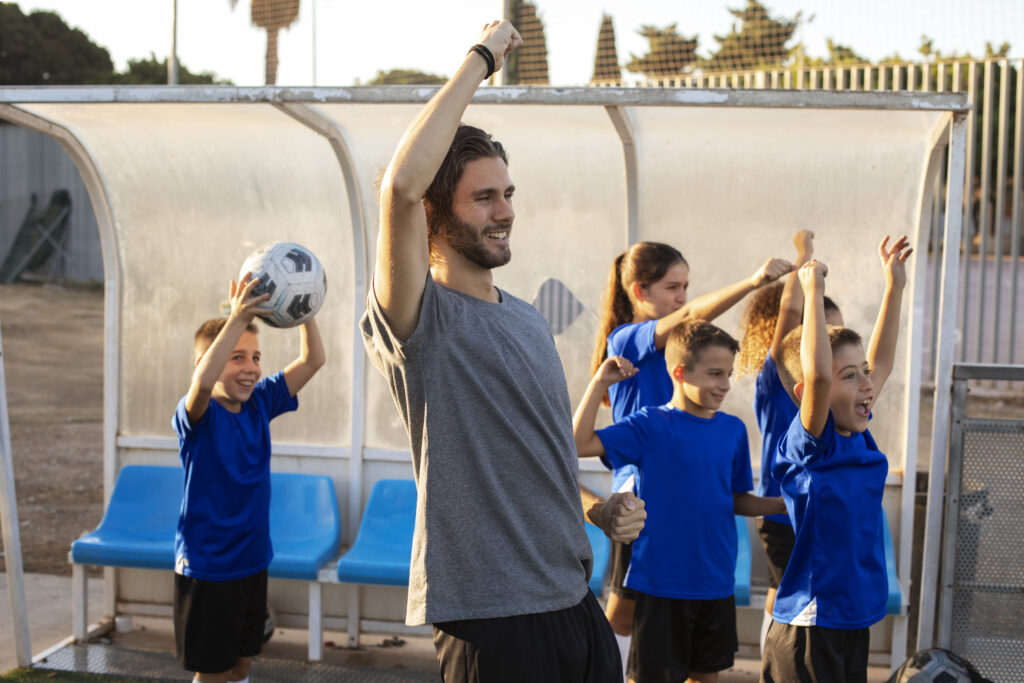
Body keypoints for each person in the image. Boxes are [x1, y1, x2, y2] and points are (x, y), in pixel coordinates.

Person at [359, 19, 646, 683]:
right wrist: (482, 58)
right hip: (492, 621)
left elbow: (539, 461)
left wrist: (597, 509)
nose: (505, 210)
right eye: (483, 196)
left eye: (508, 193)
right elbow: (399, 187)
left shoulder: (526, 321)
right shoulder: (418, 319)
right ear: (435, 215)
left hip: (575, 604)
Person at [589, 241, 792, 674]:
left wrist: (783, 504)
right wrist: (755, 281)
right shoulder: (627, 339)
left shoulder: (727, 427)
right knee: (625, 613)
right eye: (672, 287)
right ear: (639, 292)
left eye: (686, 287)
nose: (682, 298)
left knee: (686, 646)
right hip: (639, 502)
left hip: (692, 535)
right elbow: (689, 318)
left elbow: (735, 495)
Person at [762, 235, 911, 682]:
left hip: (851, 618)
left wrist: (894, 286)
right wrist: (813, 292)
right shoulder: (814, 442)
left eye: (864, 373)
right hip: (812, 623)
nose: (868, 383)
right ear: (808, 395)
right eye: (852, 376)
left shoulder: (857, 435)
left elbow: (881, 362)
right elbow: (820, 375)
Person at [172, 273, 326, 683]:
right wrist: (238, 316)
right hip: (208, 568)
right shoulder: (196, 416)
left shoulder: (261, 403)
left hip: (252, 561)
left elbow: (313, 361)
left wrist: (305, 309)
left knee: (242, 663)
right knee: (214, 671)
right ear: (208, 361)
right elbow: (202, 382)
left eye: (255, 357)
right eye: (236, 357)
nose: (250, 368)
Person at [736, 230, 845, 652]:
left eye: (834, 335)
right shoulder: (779, 376)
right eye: (821, 334)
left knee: (789, 597)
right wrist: (806, 257)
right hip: (783, 513)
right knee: (788, 600)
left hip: (816, 510)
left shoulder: (839, 389)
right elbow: (790, 310)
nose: (827, 346)